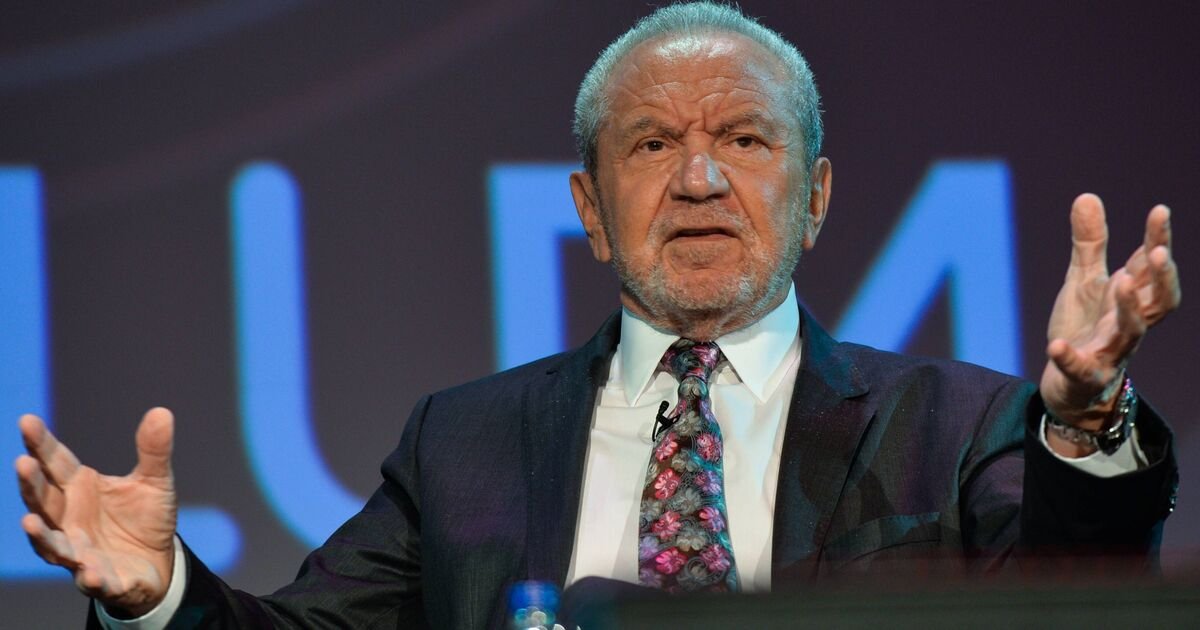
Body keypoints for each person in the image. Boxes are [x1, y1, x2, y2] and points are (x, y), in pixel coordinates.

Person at [14, 3, 1181, 628]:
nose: (700, 179)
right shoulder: (465, 442)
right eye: (654, 145)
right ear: (590, 210)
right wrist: (163, 596)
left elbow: (1077, 601)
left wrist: (1085, 424)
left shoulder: (958, 424)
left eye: (744, 140)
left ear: (817, 197)